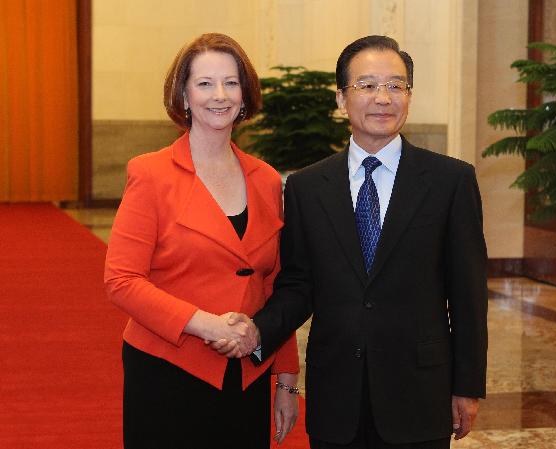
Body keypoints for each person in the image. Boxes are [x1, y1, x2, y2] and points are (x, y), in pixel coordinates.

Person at [214, 35, 488, 449]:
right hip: (336, 396)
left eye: (396, 86)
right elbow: (299, 284)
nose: (383, 98)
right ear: (342, 99)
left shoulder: (451, 181)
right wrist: (257, 331)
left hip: (419, 393)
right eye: (368, 86)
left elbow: (468, 294)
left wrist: (467, 386)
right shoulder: (308, 187)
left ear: (408, 97)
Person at [104, 33, 299, 449]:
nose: (220, 95)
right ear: (184, 96)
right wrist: (205, 323)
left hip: (247, 372)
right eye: (205, 83)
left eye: (231, 83)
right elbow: (121, 279)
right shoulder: (151, 174)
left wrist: (286, 378)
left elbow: (274, 284)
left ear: (245, 96)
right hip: (167, 368)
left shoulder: (265, 180)